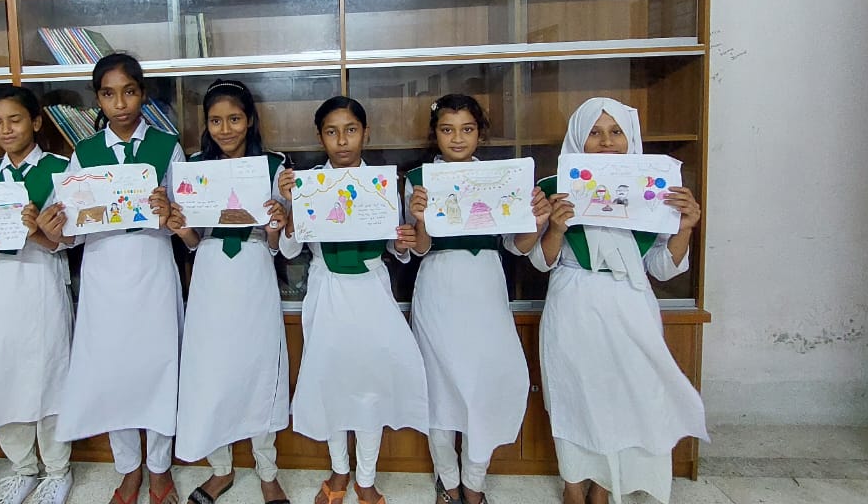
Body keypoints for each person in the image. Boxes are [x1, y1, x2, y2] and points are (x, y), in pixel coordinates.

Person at [508, 97, 706, 504]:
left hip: (631, 304)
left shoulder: (654, 191)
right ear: (578, 139)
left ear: (630, 137)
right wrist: (556, 228)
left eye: (616, 132)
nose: (606, 141)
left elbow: (662, 267)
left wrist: (685, 227)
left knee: (622, 396)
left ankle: (603, 486)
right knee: (572, 394)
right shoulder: (555, 189)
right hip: (573, 301)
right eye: (594, 133)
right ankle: (573, 485)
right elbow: (540, 262)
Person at [403, 94, 549, 504]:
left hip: (486, 287)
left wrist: (538, 222)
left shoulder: (500, 177)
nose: (457, 138)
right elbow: (419, 249)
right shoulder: (418, 179)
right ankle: (448, 483)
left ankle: (474, 482)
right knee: (438, 386)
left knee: (487, 385)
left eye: (466, 129)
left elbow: (518, 246)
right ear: (435, 134)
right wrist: (420, 219)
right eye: (447, 130)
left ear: (479, 133)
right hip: (438, 287)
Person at [282, 96, 428, 504]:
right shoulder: (308, 183)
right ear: (320, 137)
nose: (342, 140)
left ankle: (365, 476)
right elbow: (290, 249)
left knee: (369, 385)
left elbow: (398, 247)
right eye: (332, 132)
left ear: (366, 133)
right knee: (331, 381)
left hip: (371, 291)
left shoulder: (383, 183)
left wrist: (403, 240)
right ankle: (339, 470)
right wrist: (292, 206)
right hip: (326, 288)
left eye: (350, 130)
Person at [53, 53, 183, 504]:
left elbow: (185, 218)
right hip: (103, 271)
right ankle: (128, 467)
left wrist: (171, 212)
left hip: (152, 267)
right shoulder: (84, 153)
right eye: (109, 94)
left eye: (129, 92)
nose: (121, 103)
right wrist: (57, 225)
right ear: (98, 100)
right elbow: (70, 224)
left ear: (142, 94)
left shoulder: (167, 146)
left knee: (160, 364)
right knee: (112, 370)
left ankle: (159, 468)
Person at [167, 79, 290, 504]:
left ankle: (267, 471)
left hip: (255, 271)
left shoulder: (273, 166)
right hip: (210, 274)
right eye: (216, 121)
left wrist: (276, 226)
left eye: (234, 119)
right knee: (211, 372)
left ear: (250, 119)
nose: (225, 129)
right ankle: (221, 469)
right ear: (206, 124)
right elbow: (193, 241)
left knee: (261, 369)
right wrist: (180, 228)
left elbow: (276, 245)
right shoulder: (194, 167)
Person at [0, 85, 74, 504]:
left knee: (49, 372)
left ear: (36, 122)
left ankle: (58, 469)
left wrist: (37, 232)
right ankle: (23, 466)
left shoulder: (60, 169)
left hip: (42, 281)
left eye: (15, 120)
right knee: (1, 373)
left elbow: (69, 240)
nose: (6, 130)